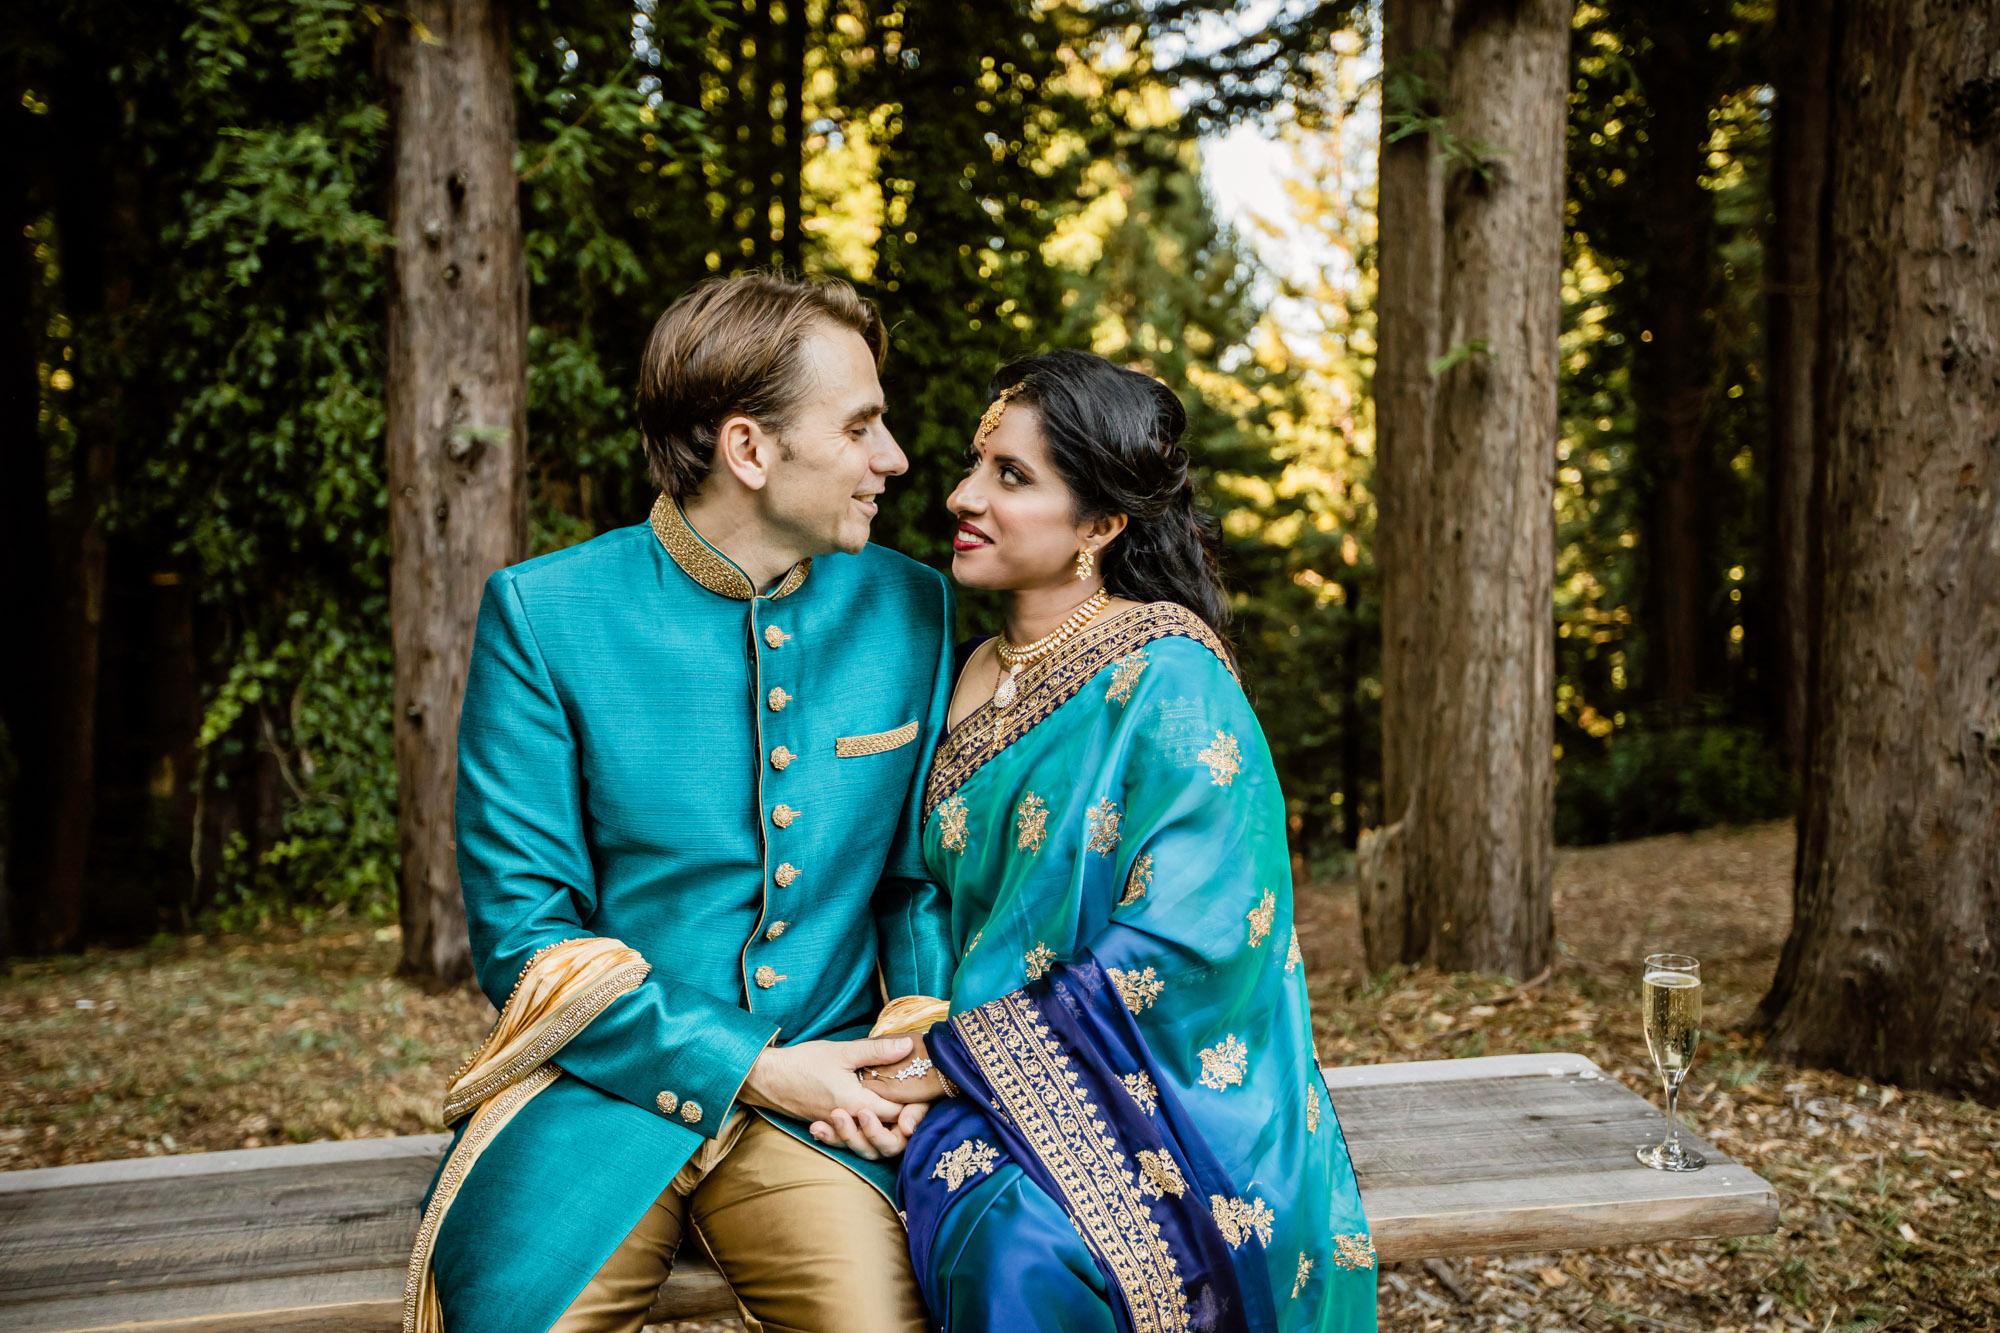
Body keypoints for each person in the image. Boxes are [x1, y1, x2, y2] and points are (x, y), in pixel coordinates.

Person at [402, 272, 955, 1333]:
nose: (891, 460)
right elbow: (525, 934)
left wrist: (906, 1044)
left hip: (832, 1098)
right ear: (750, 450)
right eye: (861, 427)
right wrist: (748, 1063)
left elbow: (913, 883)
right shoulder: (546, 614)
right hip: (601, 1096)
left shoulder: (911, 606)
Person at [857, 351, 1378, 1332]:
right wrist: (914, 1038)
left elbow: (1189, 937)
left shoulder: (1170, 679)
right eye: (976, 462)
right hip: (963, 1063)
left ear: (1099, 526)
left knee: (1029, 1247)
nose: (962, 495)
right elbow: (918, 887)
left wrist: (948, 1060)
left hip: (1150, 1082)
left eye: (1011, 477)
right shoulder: (962, 668)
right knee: (985, 1214)